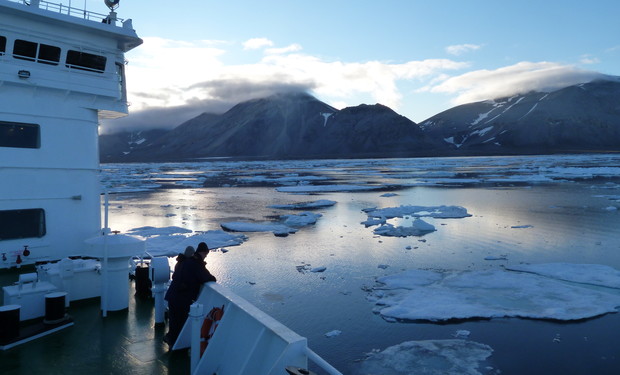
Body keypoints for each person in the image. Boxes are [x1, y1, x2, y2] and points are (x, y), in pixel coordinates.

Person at [164, 242, 216, 348]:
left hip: (173, 295)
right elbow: (206, 277)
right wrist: (212, 279)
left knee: (174, 320)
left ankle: (171, 339)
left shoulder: (183, 262)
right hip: (182, 298)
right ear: (202, 252)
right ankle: (174, 345)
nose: (205, 257)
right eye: (205, 254)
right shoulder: (196, 264)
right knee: (180, 321)